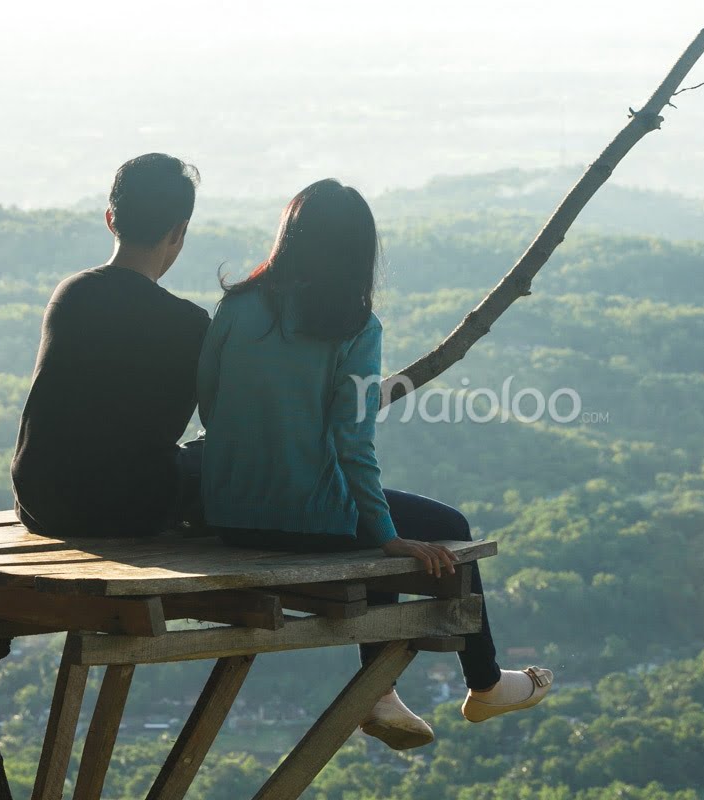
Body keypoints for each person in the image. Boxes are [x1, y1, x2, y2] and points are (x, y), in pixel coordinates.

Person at [197, 178, 553, 750]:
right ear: (359, 253)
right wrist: (387, 536)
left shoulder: (236, 307)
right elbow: (352, 446)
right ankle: (482, 684)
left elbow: (210, 406)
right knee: (446, 529)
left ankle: (385, 696)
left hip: (229, 515)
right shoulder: (354, 328)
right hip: (308, 526)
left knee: (375, 522)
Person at [11, 153, 209, 539]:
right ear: (178, 231)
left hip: (40, 503)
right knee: (211, 455)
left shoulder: (72, 293)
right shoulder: (190, 324)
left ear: (110, 219)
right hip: (132, 508)